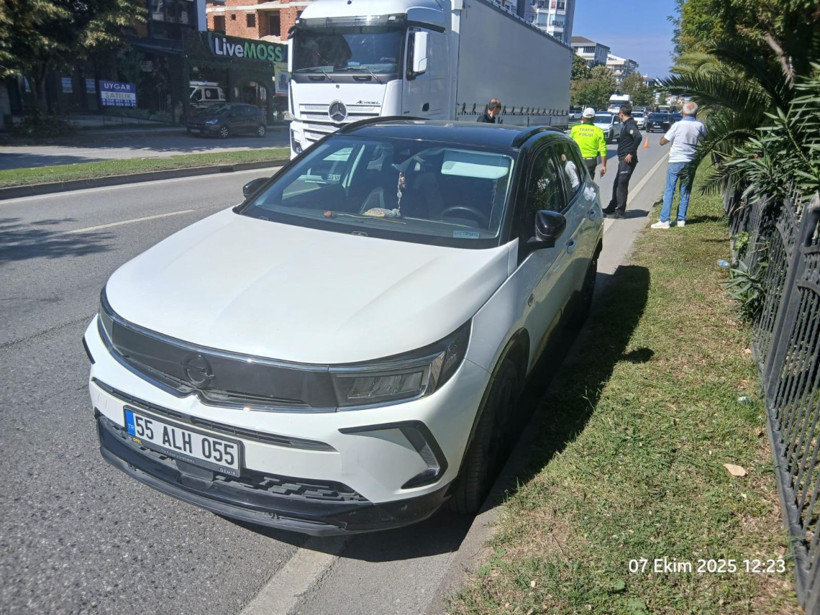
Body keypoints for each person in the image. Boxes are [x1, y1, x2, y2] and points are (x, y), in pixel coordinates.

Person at [651, 100, 707, 229]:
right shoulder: (699, 126)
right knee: (685, 190)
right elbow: (705, 140)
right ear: (696, 113)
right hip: (691, 160)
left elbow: (663, 141)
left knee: (669, 190)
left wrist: (663, 137)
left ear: (682, 112)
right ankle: (681, 219)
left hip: (676, 160)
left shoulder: (677, 125)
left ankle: (664, 220)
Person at [603, 103, 642, 219]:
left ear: (621, 114)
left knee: (621, 185)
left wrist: (631, 152)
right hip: (622, 160)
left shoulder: (630, 125)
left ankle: (620, 212)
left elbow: (638, 137)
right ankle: (612, 207)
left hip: (627, 160)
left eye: (619, 113)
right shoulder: (626, 124)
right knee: (617, 184)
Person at [569, 107, 607, 178]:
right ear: (594, 118)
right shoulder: (599, 131)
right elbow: (603, 150)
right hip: (590, 162)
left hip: (576, 160)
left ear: (583, 117)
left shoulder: (575, 129)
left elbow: (568, 143)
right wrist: (603, 166)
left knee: (575, 180)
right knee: (588, 182)